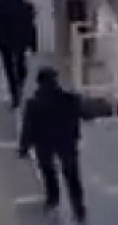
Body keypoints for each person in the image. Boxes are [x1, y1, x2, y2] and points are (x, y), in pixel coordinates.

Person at [19, 67, 87, 223]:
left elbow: (28, 127)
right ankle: (78, 208)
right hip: (67, 142)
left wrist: (24, 147)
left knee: (49, 173)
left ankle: (53, 199)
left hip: (44, 145)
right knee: (72, 177)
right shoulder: (70, 99)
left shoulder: (34, 104)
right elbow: (85, 112)